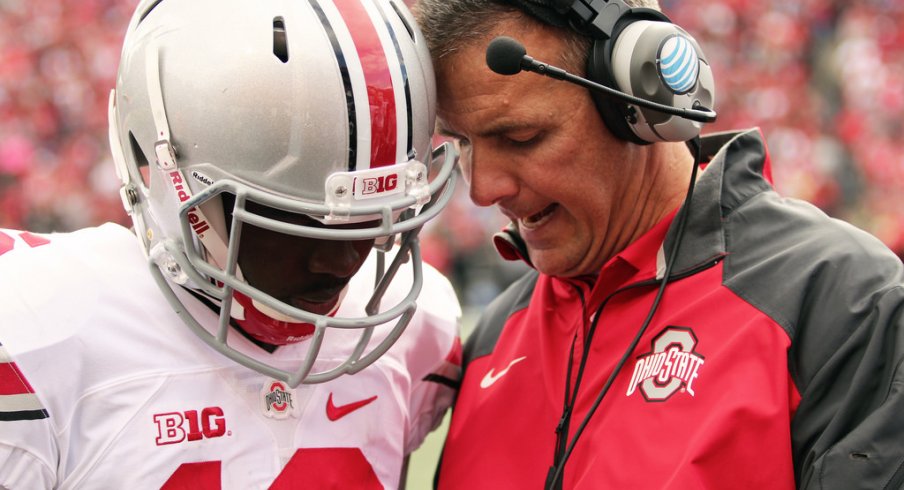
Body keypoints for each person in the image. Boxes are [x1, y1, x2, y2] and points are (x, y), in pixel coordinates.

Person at [413, 0, 904, 488]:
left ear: (640, 98)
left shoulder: (842, 300)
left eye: (523, 138)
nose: (481, 189)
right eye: (462, 143)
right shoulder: (494, 337)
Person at [0, 0, 461, 487]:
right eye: (287, 217)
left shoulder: (418, 330)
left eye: (372, 220)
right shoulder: (37, 329)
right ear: (165, 168)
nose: (342, 260)